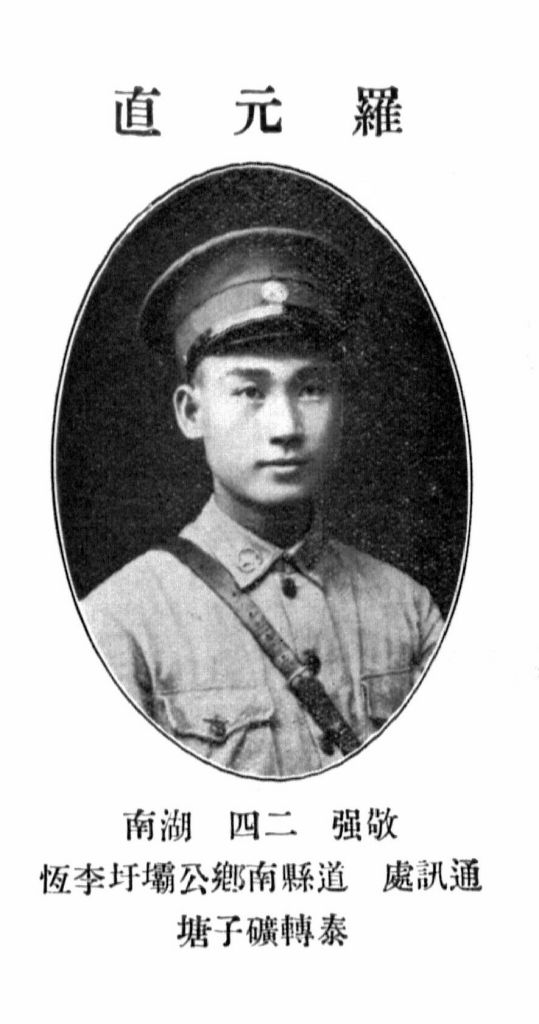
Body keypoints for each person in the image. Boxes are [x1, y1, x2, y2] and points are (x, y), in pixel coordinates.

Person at [82, 226, 443, 778]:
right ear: (191, 412)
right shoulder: (119, 624)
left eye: (311, 388)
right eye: (250, 391)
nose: (286, 427)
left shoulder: (408, 610)